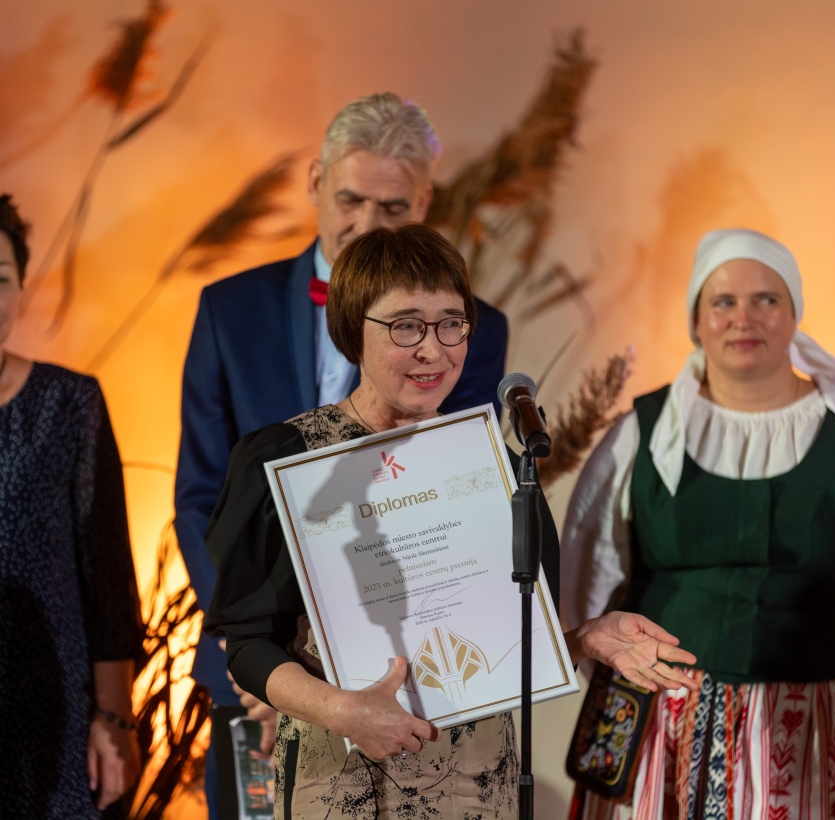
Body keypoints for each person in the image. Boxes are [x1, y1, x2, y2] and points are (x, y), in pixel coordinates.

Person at [203, 223, 697, 819]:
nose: (433, 349)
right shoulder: (290, 458)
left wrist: (583, 639)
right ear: (352, 331)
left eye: (451, 323)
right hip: (339, 783)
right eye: (406, 325)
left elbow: (506, 648)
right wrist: (344, 711)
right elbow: (248, 644)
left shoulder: (496, 464)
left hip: (477, 783)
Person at [174, 92, 508, 816]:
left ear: (423, 200)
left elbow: (451, 508)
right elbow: (202, 498)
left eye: (392, 209)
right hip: (267, 673)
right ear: (317, 183)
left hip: (428, 700)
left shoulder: (475, 338)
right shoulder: (231, 309)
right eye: (351, 198)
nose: (366, 224)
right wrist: (271, 671)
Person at [560, 227, 835, 819]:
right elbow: (587, 572)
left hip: (814, 722)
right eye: (723, 301)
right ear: (697, 320)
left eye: (766, 299)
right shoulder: (642, 432)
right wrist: (580, 647)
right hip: (661, 724)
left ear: (794, 313)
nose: (744, 318)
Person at [0, 194, 144, 817]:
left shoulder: (69, 404)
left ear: (21, 287)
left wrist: (115, 720)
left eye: (1, 280)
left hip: (53, 708)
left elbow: (106, 576)